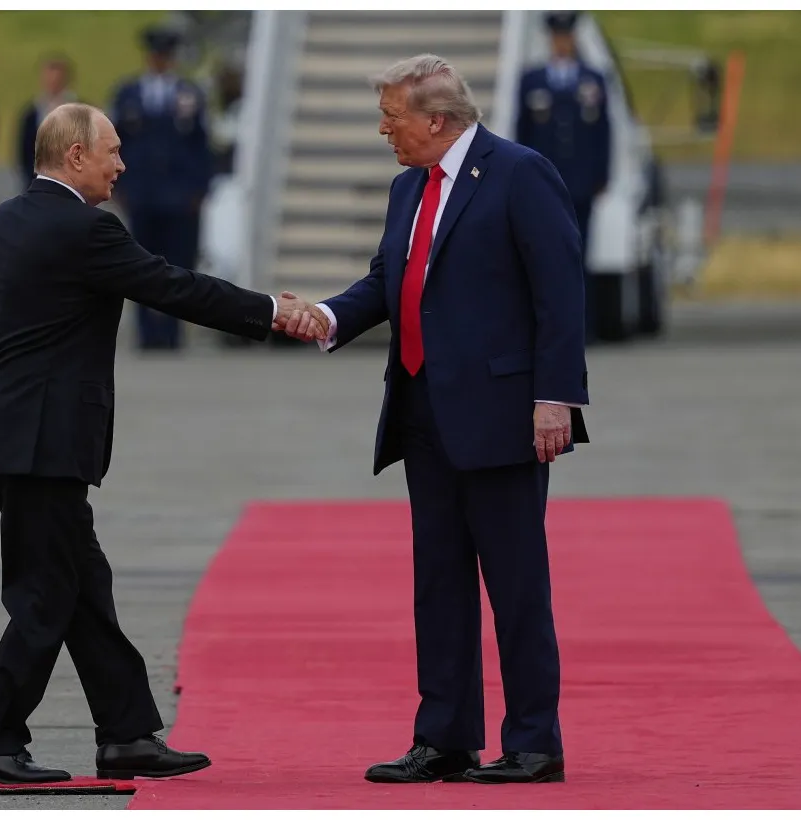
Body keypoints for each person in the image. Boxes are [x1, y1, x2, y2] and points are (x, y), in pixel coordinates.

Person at [0, 102, 323, 784]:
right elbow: (175, 287)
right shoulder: (87, 231)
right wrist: (271, 312)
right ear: (74, 155)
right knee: (46, 594)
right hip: (45, 442)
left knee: (82, 585)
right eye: (111, 150)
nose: (122, 163)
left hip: (7, 439)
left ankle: (127, 734)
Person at [280, 55, 589, 785]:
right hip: (423, 411)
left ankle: (535, 742)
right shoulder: (407, 188)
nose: (384, 130)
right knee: (439, 582)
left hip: (503, 413)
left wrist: (557, 397)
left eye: (392, 117)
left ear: (437, 120)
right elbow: (391, 279)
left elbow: (560, 290)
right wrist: (324, 316)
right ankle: (445, 735)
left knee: (515, 584)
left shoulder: (518, 173)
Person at [110, 26, 214, 351]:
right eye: (156, 54)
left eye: (165, 55)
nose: (160, 60)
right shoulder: (128, 93)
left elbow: (203, 145)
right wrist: (119, 186)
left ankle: (171, 332)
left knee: (178, 263)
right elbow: (116, 142)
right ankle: (146, 332)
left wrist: (199, 188)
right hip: (142, 194)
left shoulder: (189, 94)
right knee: (140, 263)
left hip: (179, 195)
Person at [515, 11, 610, 342]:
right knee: (542, 255)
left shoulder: (592, 80)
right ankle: (544, 326)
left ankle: (583, 325)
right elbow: (521, 134)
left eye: (566, 36)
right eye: (557, 37)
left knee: (580, 253)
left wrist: (602, 175)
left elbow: (603, 133)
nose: (562, 43)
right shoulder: (533, 81)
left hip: (581, 182)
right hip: (545, 185)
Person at [16, 54, 77, 186]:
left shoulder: (81, 112)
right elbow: (24, 151)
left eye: (57, 79)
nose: (53, 83)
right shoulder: (32, 113)